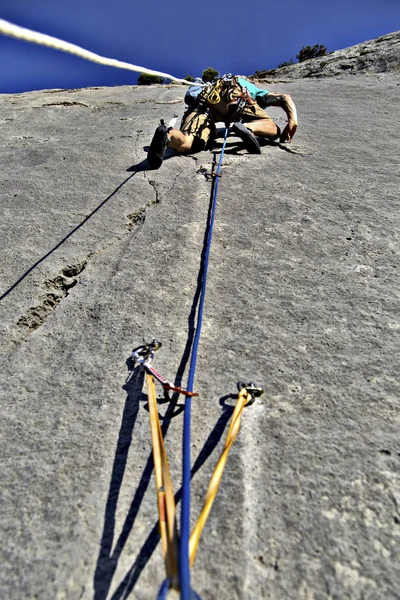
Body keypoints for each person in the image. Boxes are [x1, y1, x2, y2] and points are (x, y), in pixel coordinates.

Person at [147, 74, 298, 169]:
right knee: (273, 129)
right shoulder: (250, 88)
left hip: (205, 101)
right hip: (238, 98)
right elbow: (285, 98)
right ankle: (247, 127)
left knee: (189, 142)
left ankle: (168, 136)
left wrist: (213, 132)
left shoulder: (212, 85)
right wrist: (292, 120)